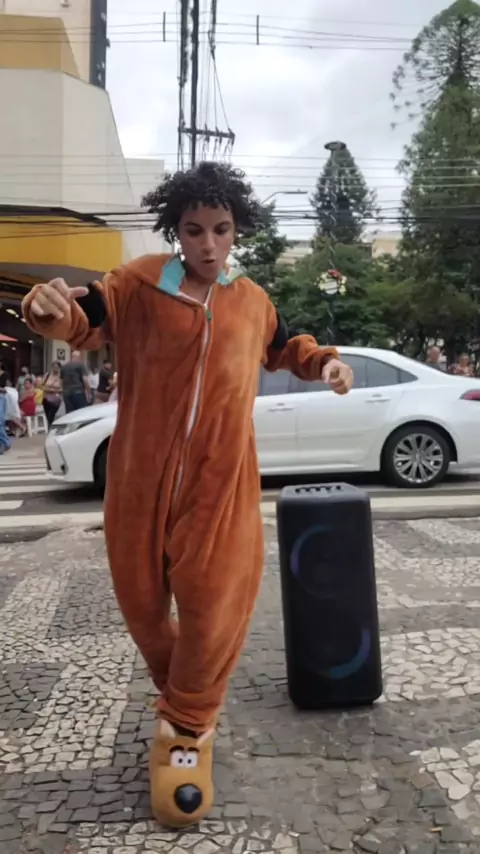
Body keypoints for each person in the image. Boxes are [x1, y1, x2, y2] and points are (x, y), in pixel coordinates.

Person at [21, 161, 353, 828]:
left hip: (220, 481)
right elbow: (82, 319)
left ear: (237, 231)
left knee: (213, 604)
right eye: (194, 230)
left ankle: (185, 730)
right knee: (145, 610)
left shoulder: (252, 302)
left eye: (220, 230)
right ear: (176, 230)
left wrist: (326, 363)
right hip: (140, 480)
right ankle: (187, 698)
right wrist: (46, 309)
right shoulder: (138, 284)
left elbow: (288, 347)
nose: (208, 243)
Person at [42, 361, 63, 426]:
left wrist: (52, 390)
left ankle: (50, 426)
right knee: (47, 415)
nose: (55, 368)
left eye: (56, 367)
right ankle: (49, 427)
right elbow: (42, 385)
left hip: (56, 399)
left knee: (51, 414)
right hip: (46, 398)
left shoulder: (61, 376)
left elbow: (63, 388)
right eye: (53, 367)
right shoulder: (47, 375)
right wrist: (48, 389)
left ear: (59, 368)